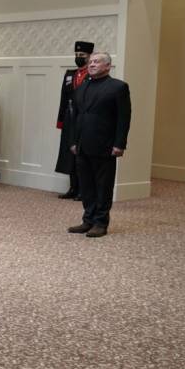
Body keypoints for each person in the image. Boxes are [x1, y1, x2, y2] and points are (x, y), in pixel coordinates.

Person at [67, 52, 131, 238]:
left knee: (103, 186)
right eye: (91, 62)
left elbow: (124, 118)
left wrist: (119, 144)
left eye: (97, 62)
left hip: (105, 145)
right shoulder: (82, 87)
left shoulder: (118, 87)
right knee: (86, 185)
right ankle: (88, 220)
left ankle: (101, 222)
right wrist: (73, 141)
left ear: (108, 66)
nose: (92, 64)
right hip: (82, 144)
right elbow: (75, 117)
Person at [55, 41, 95, 199]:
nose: (78, 57)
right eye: (77, 54)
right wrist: (60, 120)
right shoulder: (70, 74)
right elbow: (63, 98)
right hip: (70, 119)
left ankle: (83, 190)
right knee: (69, 154)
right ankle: (73, 187)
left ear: (89, 56)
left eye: (82, 55)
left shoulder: (92, 75)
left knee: (82, 155)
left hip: (85, 119)